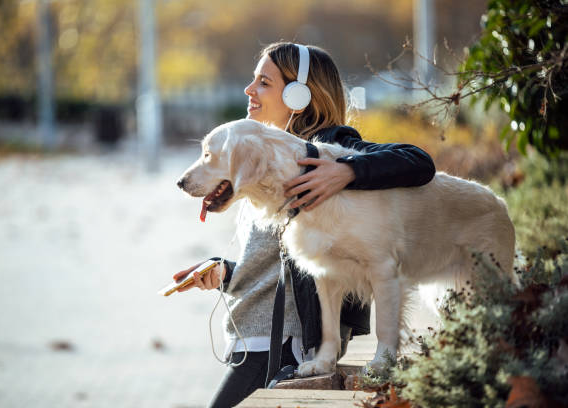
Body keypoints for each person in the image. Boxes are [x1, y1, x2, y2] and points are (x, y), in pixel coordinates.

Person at [173, 42, 436, 408]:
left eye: (263, 82)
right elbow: (275, 265)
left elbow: (419, 161)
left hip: (288, 347)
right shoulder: (263, 163)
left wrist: (348, 170)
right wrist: (225, 272)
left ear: (299, 94)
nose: (250, 91)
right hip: (255, 342)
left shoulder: (327, 147)